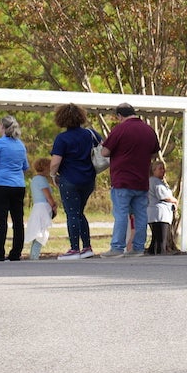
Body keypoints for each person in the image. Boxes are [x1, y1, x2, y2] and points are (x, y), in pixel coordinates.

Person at [101, 103, 160, 258]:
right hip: (141, 180)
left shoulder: (120, 129)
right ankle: (138, 248)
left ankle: (117, 248)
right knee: (141, 215)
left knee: (121, 214)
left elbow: (105, 152)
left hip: (122, 179)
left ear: (120, 116)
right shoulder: (148, 130)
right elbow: (154, 153)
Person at [49, 103, 102, 260]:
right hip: (88, 179)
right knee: (79, 212)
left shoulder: (62, 138)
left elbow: (55, 162)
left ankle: (74, 249)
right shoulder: (90, 134)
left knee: (72, 213)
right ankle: (87, 247)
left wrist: (53, 176)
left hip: (69, 179)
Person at [0, 115, 29, 262]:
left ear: (3, 128)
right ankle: (16, 252)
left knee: (1, 221)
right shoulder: (20, 145)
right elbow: (25, 167)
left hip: (1, 184)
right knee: (18, 221)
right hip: (18, 185)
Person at [24, 157, 58, 260]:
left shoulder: (34, 179)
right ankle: (34, 255)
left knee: (37, 231)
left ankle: (34, 254)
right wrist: (54, 205)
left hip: (37, 207)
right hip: (43, 207)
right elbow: (47, 195)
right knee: (41, 233)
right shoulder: (42, 180)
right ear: (45, 168)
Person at [147, 160, 179, 255]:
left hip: (156, 213)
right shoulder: (156, 182)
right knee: (161, 239)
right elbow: (163, 196)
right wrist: (174, 200)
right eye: (160, 169)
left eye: (163, 168)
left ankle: (152, 253)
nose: (163, 171)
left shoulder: (158, 182)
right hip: (160, 214)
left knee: (155, 238)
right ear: (154, 170)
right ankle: (161, 255)